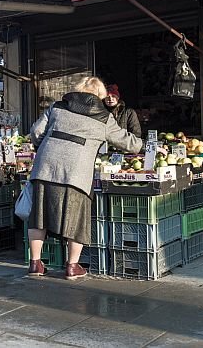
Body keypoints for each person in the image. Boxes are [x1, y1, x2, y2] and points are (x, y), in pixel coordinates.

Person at [27, 77, 143, 280]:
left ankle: (35, 263)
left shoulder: (57, 107)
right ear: (100, 96)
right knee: (76, 217)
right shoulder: (103, 117)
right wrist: (148, 146)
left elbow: (36, 132)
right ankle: (72, 267)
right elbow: (128, 143)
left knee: (39, 215)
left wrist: (44, 146)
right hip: (77, 172)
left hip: (45, 166)